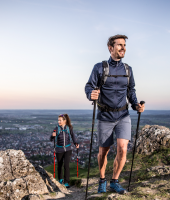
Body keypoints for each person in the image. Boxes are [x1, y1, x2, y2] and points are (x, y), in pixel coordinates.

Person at [84, 34, 145, 194]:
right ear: (110, 48)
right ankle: (102, 179)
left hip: (123, 115)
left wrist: (136, 105)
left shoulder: (128, 70)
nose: (123, 47)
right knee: (103, 151)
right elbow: (89, 86)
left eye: (124, 45)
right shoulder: (100, 67)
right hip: (105, 116)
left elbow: (131, 91)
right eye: (119, 45)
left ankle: (115, 181)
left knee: (123, 149)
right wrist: (91, 94)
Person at [50, 114, 79, 188]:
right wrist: (52, 136)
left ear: (64, 121)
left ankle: (66, 182)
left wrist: (75, 143)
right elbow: (51, 139)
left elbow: (73, 136)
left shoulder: (69, 128)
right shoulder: (56, 128)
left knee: (66, 165)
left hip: (68, 149)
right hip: (59, 149)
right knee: (60, 165)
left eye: (60, 120)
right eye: (58, 120)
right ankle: (60, 179)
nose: (58, 121)